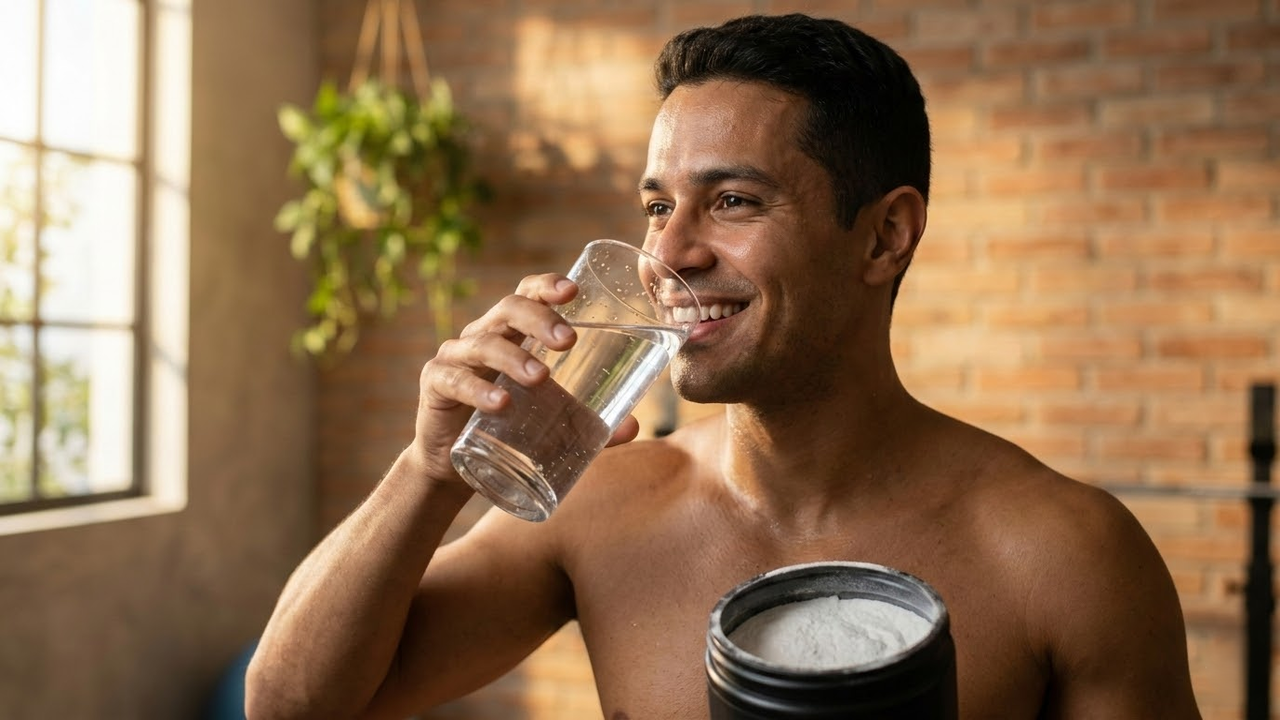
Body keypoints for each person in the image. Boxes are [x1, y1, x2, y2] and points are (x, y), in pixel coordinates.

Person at [246, 14, 1202, 720]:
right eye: (658, 205)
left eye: (734, 201)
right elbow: (291, 706)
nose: (670, 254)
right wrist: (427, 472)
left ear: (886, 236)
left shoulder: (1065, 554)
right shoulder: (604, 508)